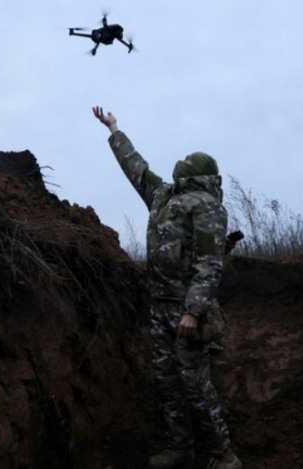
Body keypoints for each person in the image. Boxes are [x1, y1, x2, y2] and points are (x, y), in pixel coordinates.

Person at [92, 106, 242, 469]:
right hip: (158, 308)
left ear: (200, 174)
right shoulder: (163, 196)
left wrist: (193, 311)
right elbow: (137, 169)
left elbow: (210, 264)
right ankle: (181, 449)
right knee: (167, 383)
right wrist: (114, 130)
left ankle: (224, 456)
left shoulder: (207, 207)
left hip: (185, 312)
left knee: (196, 386)